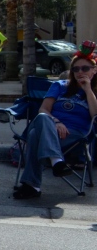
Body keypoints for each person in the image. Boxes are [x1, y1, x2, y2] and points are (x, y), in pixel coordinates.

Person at [13, 51, 97, 199]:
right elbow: (43, 109)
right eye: (76, 69)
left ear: (94, 70)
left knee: (34, 135)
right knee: (43, 117)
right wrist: (56, 123)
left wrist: (88, 90)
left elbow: (94, 115)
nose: (80, 72)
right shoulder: (60, 85)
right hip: (49, 126)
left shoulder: (94, 92)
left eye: (85, 68)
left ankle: (32, 186)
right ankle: (57, 161)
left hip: (75, 134)